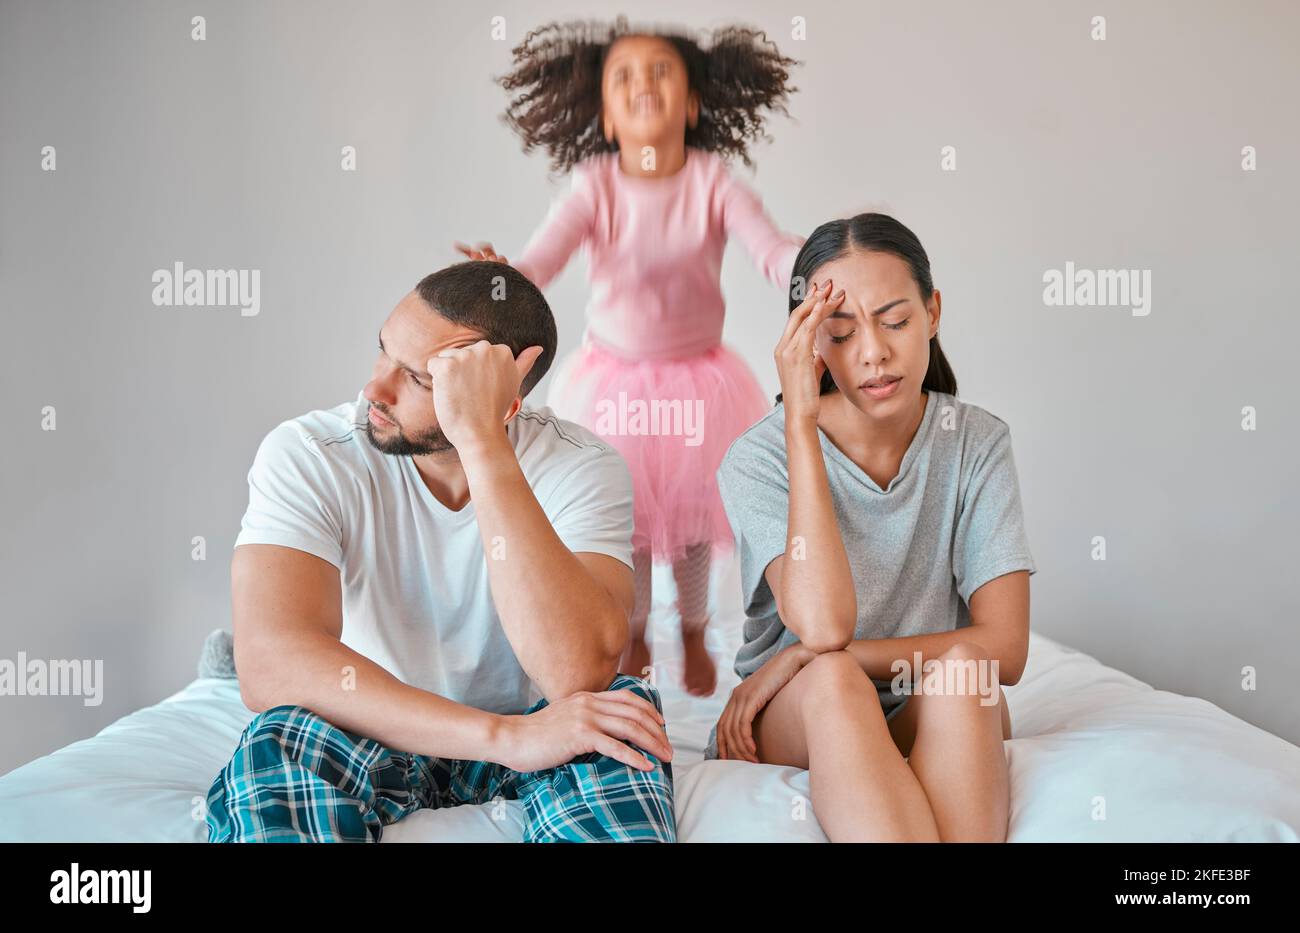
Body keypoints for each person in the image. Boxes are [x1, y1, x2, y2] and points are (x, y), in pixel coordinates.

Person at [204, 261, 675, 842]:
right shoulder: (310, 453)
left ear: (506, 399)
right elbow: (273, 662)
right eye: (383, 353)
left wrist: (481, 441)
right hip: (374, 724)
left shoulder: (582, 464)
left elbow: (576, 673)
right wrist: (502, 739)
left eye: (419, 379)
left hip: (544, 721)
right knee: (280, 736)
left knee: (620, 716)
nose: (374, 389)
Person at [456, 17, 803, 697]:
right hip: (614, 382)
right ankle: (638, 628)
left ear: (694, 104)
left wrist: (810, 263)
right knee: (634, 520)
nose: (644, 83)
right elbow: (542, 259)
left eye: (661, 71)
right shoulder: (596, 186)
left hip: (701, 379)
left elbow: (769, 248)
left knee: (698, 519)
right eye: (625, 77)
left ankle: (696, 628)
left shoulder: (712, 181)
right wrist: (504, 275)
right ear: (608, 119)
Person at [707, 213, 1038, 843]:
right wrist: (799, 426)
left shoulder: (976, 442)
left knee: (965, 666)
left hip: (919, 699)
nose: (873, 352)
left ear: (933, 313)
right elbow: (825, 627)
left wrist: (817, 657)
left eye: (895, 321)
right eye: (841, 331)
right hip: (800, 711)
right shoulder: (757, 458)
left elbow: (1007, 648)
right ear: (810, 343)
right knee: (833, 680)